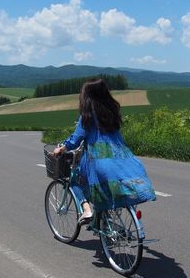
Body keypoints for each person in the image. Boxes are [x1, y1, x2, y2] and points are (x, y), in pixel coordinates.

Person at [54, 79, 156, 225]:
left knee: (75, 178)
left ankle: (87, 209)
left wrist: (61, 148)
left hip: (98, 161)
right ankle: (104, 220)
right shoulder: (111, 114)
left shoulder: (87, 118)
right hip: (122, 158)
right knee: (111, 183)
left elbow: (75, 141)